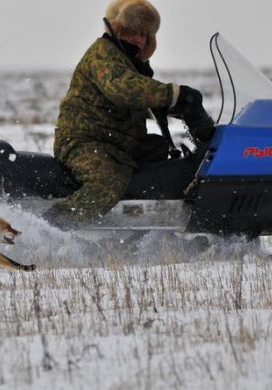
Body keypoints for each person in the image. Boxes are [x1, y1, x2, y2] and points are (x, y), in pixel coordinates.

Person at [44, 0, 214, 228]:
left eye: (144, 34)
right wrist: (176, 94)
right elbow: (123, 88)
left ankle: (157, 222)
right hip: (83, 141)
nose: (138, 39)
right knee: (108, 182)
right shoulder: (103, 54)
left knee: (163, 156)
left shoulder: (131, 63)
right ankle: (51, 229)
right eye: (132, 31)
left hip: (115, 143)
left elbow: (144, 95)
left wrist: (184, 107)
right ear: (118, 29)